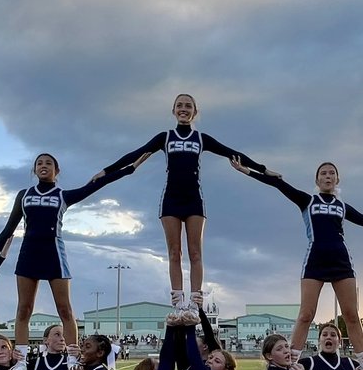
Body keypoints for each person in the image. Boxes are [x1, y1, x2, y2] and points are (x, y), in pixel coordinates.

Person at [94, 93, 272, 317]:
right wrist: (106, 171)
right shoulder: (165, 137)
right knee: (174, 253)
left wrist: (263, 169)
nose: (184, 109)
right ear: (173, 111)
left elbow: (232, 153)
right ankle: (178, 304)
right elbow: (135, 154)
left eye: (188, 106)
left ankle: (195, 304)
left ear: (195, 112)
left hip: (194, 200)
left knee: (195, 253)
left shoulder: (201, 139)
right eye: (179, 105)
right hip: (171, 200)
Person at [0, 152, 149, 370]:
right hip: (28, 254)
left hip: (54, 254)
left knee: (65, 310)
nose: (43, 166)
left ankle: (72, 359)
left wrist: (129, 168)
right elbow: (8, 229)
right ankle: (22, 363)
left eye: (48, 163)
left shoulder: (63, 195)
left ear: (57, 171)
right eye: (39, 163)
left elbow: (97, 185)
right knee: (24, 309)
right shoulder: (23, 195)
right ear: (34, 170)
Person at [231, 160, 363, 363]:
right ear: (317, 180)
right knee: (306, 314)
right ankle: (291, 361)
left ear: (337, 180)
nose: (328, 176)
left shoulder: (342, 207)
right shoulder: (307, 201)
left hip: (341, 261)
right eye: (323, 173)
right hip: (315, 260)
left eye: (332, 173)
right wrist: (247, 170)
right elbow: (278, 184)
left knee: (351, 315)